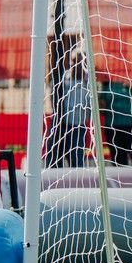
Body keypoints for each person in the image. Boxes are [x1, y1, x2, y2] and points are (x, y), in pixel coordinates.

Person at [43, 34, 92, 168]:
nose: (75, 64)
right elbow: (53, 96)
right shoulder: (63, 80)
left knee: (77, 160)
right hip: (60, 125)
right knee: (54, 159)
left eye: (79, 61)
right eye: (73, 61)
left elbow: (90, 106)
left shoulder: (88, 83)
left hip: (78, 126)